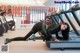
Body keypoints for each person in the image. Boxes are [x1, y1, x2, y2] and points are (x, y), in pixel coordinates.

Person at [5, 16, 70, 44]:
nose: (63, 28)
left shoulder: (58, 28)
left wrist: (62, 38)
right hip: (41, 26)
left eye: (65, 28)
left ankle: (9, 39)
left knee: (25, 38)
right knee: (49, 37)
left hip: (39, 26)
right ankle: (35, 37)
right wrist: (54, 39)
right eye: (64, 26)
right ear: (62, 24)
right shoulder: (57, 26)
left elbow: (57, 35)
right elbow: (48, 31)